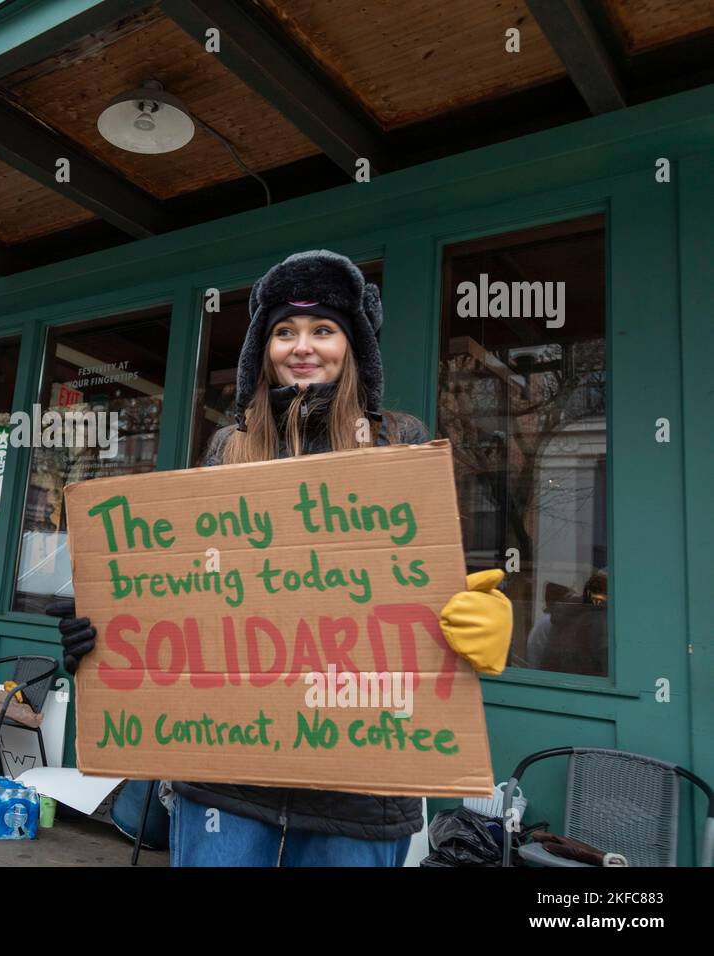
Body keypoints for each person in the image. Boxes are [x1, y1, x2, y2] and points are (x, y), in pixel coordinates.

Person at [55, 250, 512, 867]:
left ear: (352, 349)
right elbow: (190, 582)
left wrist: (476, 625)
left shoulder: (400, 441)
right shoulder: (227, 446)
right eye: (283, 333)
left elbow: (429, 575)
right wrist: (107, 631)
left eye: (323, 330)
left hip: (362, 778)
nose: (303, 347)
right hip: (226, 766)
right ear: (261, 351)